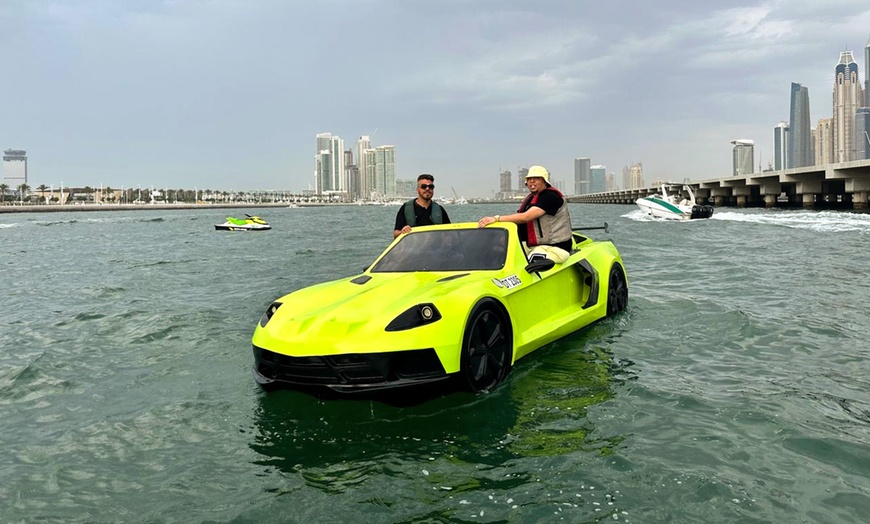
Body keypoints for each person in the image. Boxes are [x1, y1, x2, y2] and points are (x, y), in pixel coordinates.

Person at [477, 165, 573, 253]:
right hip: (535, 246)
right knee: (493, 251)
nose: (531, 181)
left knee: (531, 261)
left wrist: (495, 219)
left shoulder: (550, 197)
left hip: (555, 247)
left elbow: (525, 217)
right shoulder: (531, 198)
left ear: (544, 181)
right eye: (529, 179)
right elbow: (519, 218)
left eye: (536, 178)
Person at [393, 174, 451, 238]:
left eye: (430, 187)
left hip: (436, 247)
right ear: (417, 189)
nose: (427, 189)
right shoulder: (406, 208)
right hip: (413, 247)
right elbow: (395, 234)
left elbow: (449, 234)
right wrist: (403, 231)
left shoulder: (439, 210)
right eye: (424, 186)